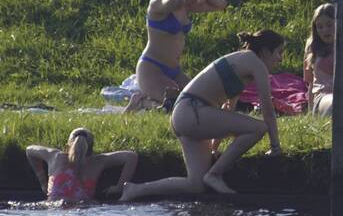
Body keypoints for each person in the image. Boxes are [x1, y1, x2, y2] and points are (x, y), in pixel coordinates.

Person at [120, 30, 286, 200]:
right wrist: (275, 147)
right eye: (279, 52)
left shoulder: (242, 61)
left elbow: (228, 109)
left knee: (195, 185)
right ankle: (215, 174)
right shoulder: (255, 63)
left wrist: (214, 146)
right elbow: (268, 111)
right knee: (258, 128)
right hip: (193, 111)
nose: (281, 59)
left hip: (185, 115)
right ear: (266, 51)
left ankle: (135, 189)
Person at [135, 0, 228, 108]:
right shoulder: (157, 4)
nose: (195, 1)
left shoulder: (187, 7)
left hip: (175, 71)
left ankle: (149, 101)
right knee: (179, 105)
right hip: (152, 69)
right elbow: (176, 0)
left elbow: (221, 4)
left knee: (203, 101)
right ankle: (141, 102)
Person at [25, 128, 139, 203]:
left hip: (54, 209)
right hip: (85, 209)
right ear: (91, 148)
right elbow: (131, 156)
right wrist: (119, 187)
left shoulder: (56, 156)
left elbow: (29, 150)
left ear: (69, 144)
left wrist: (43, 182)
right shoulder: (98, 161)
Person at [304, 3, 335, 116]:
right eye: (319, 27)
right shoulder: (312, 46)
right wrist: (310, 112)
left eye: (329, 25)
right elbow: (311, 82)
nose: (324, 30)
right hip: (322, 97)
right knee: (336, 104)